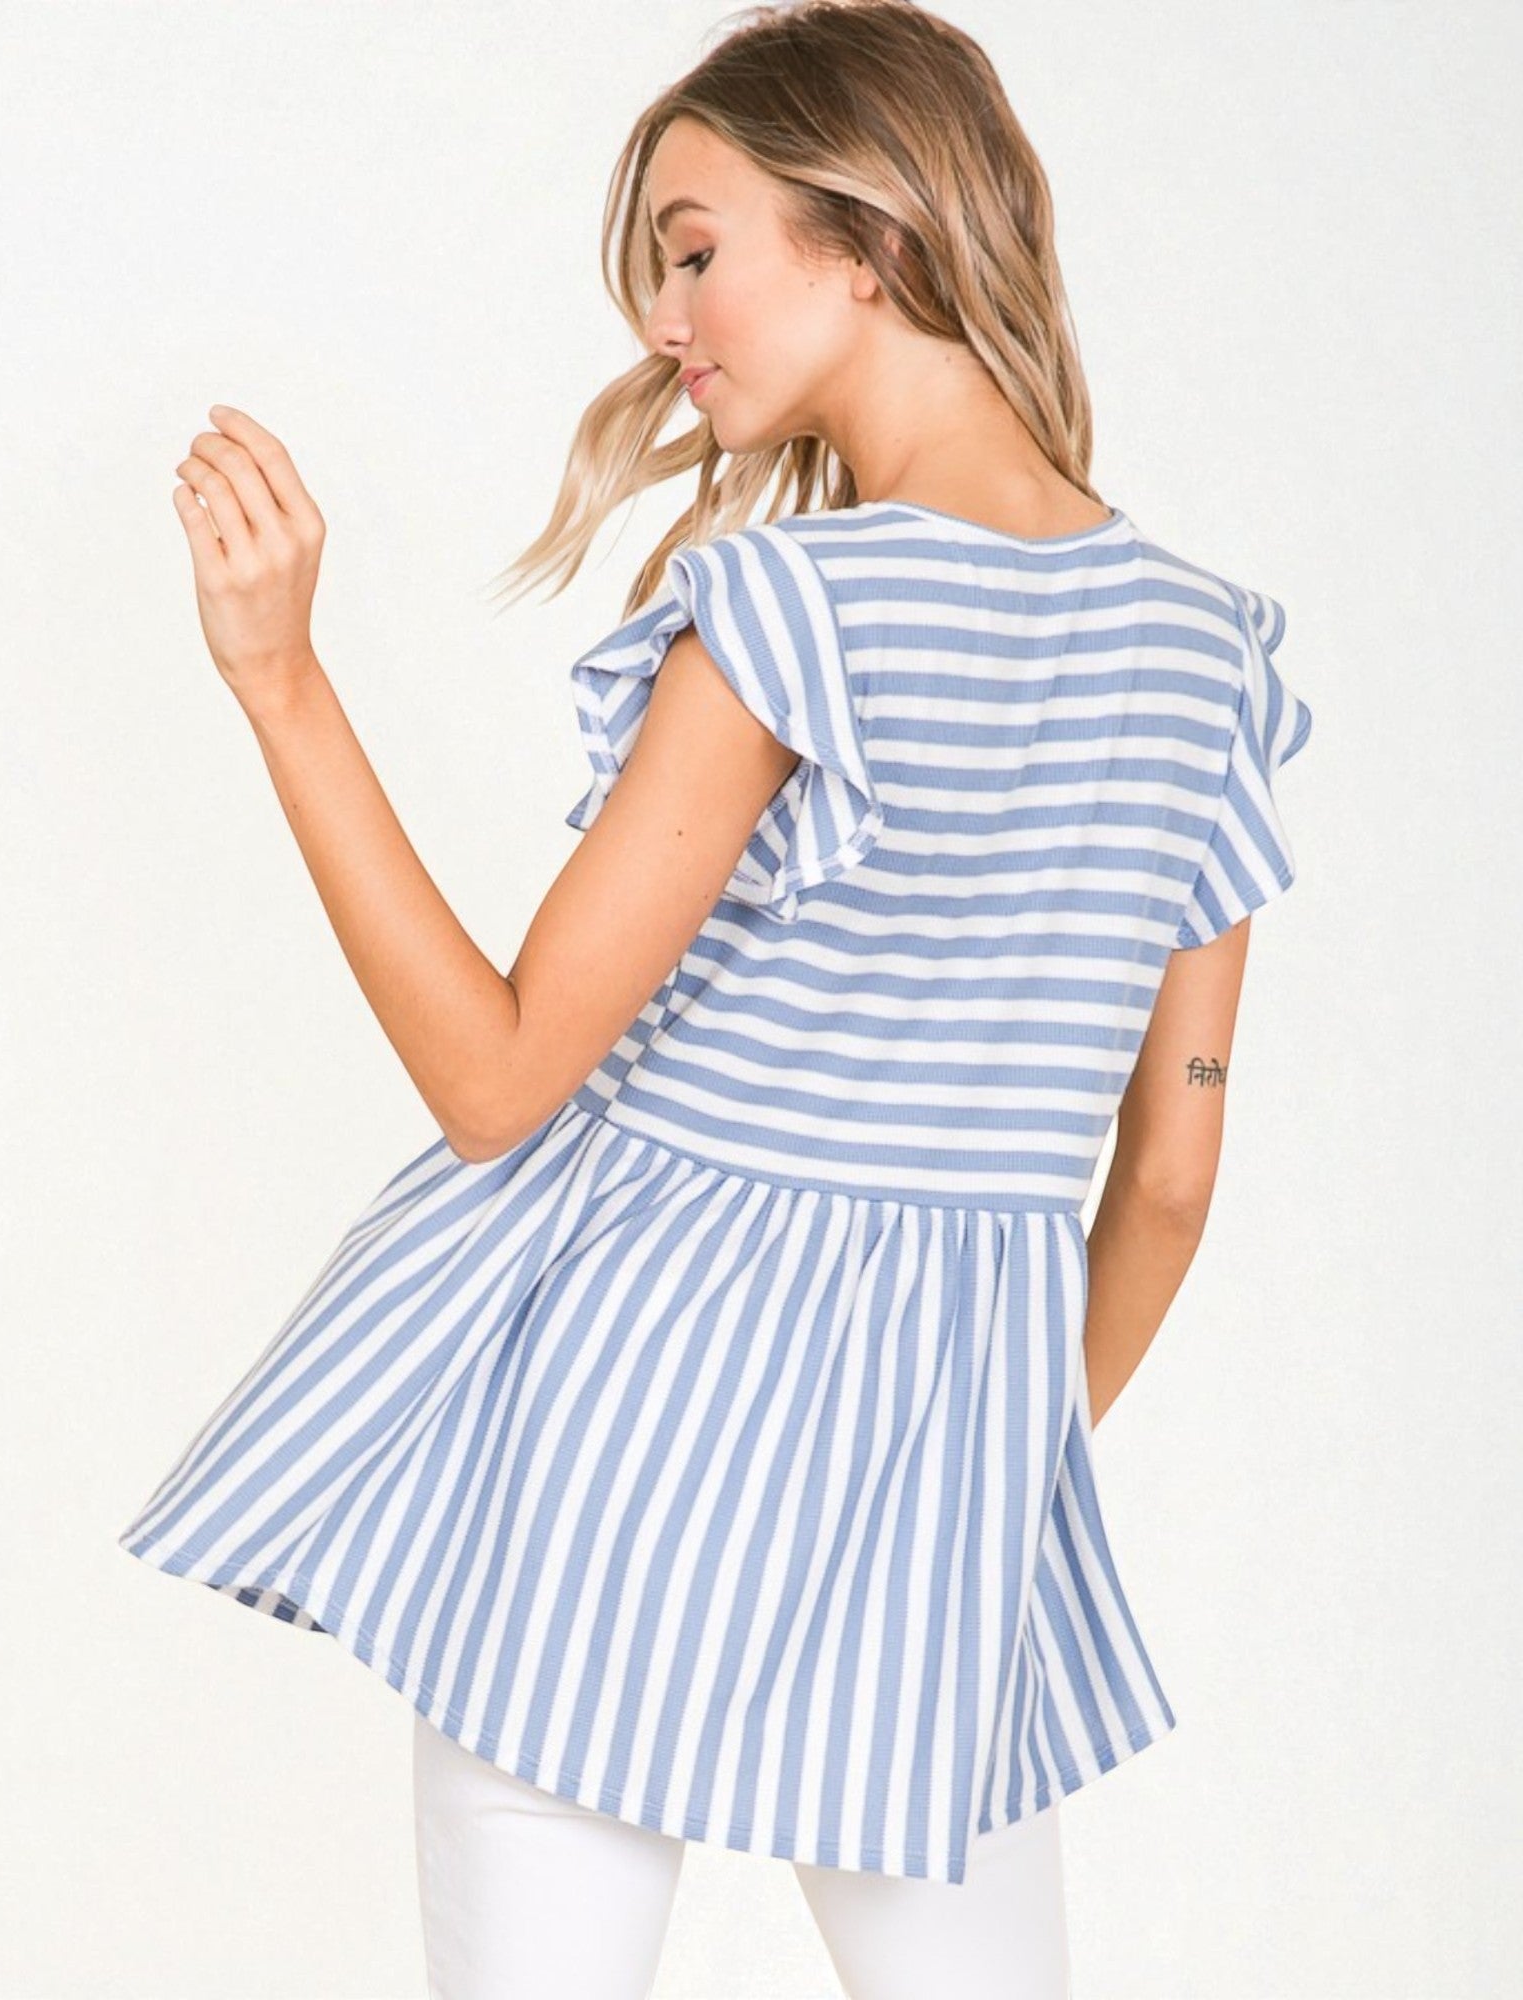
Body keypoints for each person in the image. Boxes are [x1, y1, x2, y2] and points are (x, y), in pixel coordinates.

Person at [121, 2, 1314, 1994]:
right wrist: (965, 1463)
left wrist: (281, 682)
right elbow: (1169, 1180)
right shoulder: (1209, 657)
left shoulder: (792, 611)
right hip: (933, 1501)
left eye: (693, 250)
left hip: (609, 1440)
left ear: (870, 240)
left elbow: (500, 1082)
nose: (663, 323)